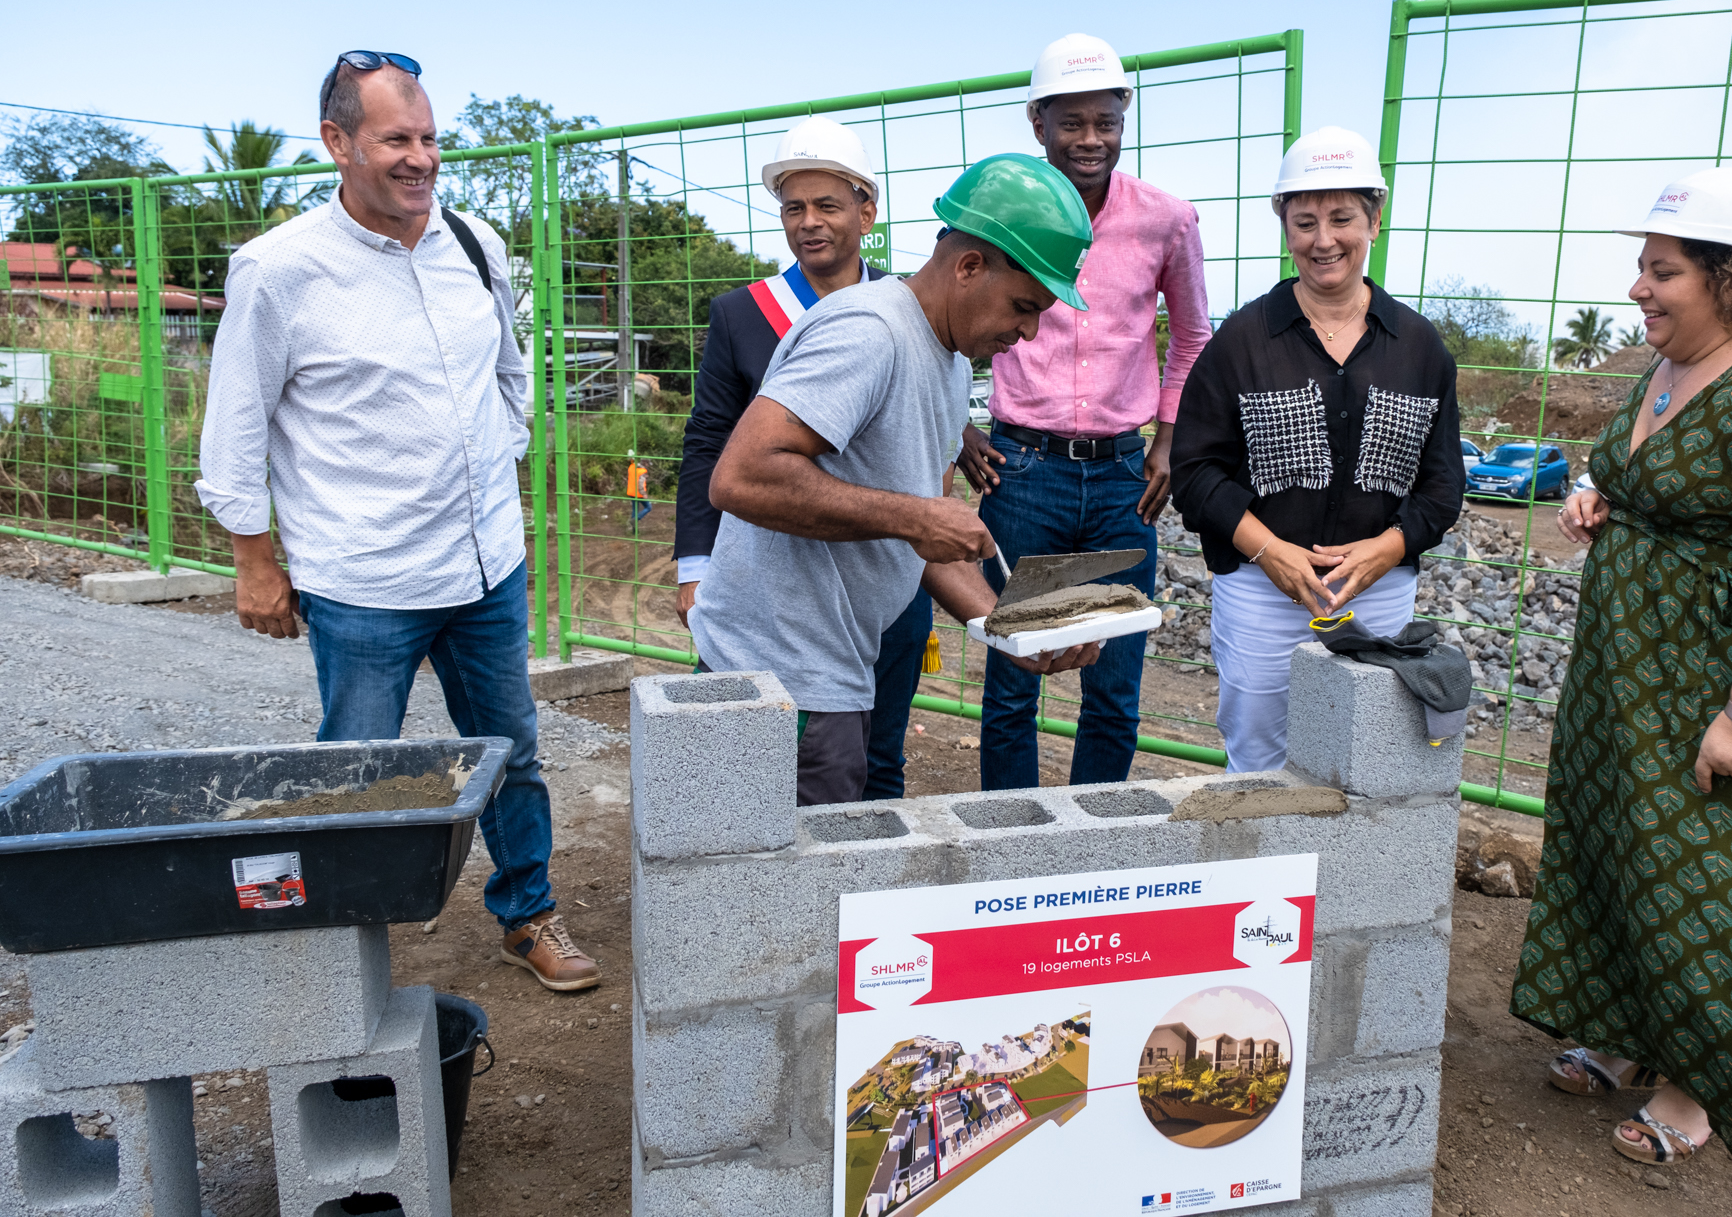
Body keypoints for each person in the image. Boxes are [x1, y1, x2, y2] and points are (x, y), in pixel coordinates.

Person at [195, 51, 598, 993]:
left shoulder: (472, 241)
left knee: (512, 750)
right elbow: (235, 424)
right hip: (364, 582)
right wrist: (256, 560)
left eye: (429, 139)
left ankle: (528, 912)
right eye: (396, 141)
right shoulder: (280, 272)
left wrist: (504, 448)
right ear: (338, 143)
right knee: (359, 774)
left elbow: (509, 365)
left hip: (487, 565)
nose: (420, 160)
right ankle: (346, 946)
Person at [1516, 168, 1732, 1180]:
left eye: (1660, 269)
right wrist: (1599, 503)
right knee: (1619, 851)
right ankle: (1625, 1031)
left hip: (1717, 691)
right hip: (1626, 681)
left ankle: (1694, 1085)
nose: (1637, 287)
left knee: (1704, 880)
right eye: (1640, 266)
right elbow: (1661, 488)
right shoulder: (1669, 367)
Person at [691, 154, 1102, 804]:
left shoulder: (946, 360)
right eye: (1025, 305)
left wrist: (1010, 627)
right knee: (783, 891)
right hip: (779, 676)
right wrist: (917, 516)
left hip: (829, 670)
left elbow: (922, 535)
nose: (1028, 331)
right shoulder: (871, 332)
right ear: (969, 267)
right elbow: (740, 477)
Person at [955, 33, 1211, 790]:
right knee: (1011, 678)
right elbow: (943, 316)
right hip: (1021, 469)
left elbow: (1193, 333)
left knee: (1115, 686)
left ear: (1124, 118)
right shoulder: (993, 208)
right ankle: (1010, 843)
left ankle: (1093, 846)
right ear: (1038, 124)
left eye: (1106, 120)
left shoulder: (1166, 221)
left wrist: (1167, 439)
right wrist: (957, 425)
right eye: (1072, 122)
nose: (1091, 139)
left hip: (1121, 480)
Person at [1169, 126, 1462, 772]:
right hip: (1261, 591)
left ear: (1375, 222)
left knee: (1369, 754)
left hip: (1378, 590)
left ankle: (1346, 876)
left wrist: (1386, 548)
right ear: (1284, 225)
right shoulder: (1242, 343)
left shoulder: (1418, 348)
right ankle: (1269, 873)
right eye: (1304, 221)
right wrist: (1269, 551)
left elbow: (1443, 487)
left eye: (1342, 218)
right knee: (1260, 756)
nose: (1323, 239)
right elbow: (1193, 472)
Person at [674, 119, 932, 799]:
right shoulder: (744, 313)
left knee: (883, 749)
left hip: (884, 572)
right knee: (775, 754)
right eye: (794, 208)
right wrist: (695, 565)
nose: (809, 224)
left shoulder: (913, 311)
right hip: (786, 586)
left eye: (828, 206)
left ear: (866, 211)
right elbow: (710, 442)